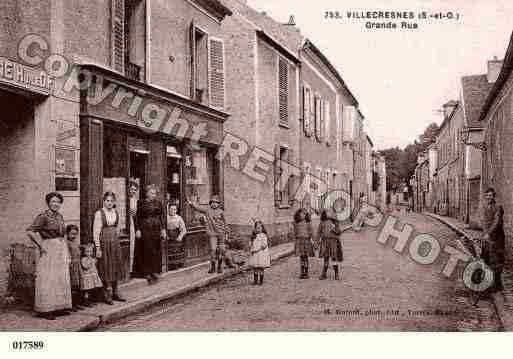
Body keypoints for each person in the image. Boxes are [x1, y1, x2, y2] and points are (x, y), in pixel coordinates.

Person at [26, 192, 72, 320]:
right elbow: (30, 231)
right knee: (48, 278)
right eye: (53, 201)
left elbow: (63, 235)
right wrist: (40, 245)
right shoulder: (43, 217)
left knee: (59, 277)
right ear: (48, 203)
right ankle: (46, 309)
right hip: (49, 249)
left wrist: (66, 250)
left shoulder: (60, 216)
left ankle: (59, 307)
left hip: (60, 248)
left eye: (58, 202)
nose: (56, 204)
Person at [187, 195, 236, 274]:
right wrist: (191, 203)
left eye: (216, 203)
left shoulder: (221, 212)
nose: (214, 204)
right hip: (212, 234)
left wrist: (227, 233)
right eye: (212, 202)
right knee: (213, 250)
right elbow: (198, 208)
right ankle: (213, 267)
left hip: (221, 234)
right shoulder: (207, 210)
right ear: (210, 203)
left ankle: (219, 267)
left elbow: (225, 223)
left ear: (218, 204)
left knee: (221, 250)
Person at [93, 192, 125, 304]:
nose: (109, 203)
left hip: (114, 242)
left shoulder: (116, 212)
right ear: (104, 201)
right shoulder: (99, 213)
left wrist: (116, 239)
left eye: (111, 201)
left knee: (115, 265)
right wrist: (98, 247)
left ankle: (116, 292)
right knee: (106, 266)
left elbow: (117, 228)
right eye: (107, 201)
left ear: (114, 202)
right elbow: (96, 232)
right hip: (104, 242)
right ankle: (107, 293)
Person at [135, 184, 167, 283]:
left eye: (155, 193)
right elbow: (137, 217)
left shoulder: (158, 203)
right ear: (147, 193)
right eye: (151, 193)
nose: (154, 195)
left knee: (156, 249)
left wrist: (163, 229)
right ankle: (146, 272)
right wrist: (138, 229)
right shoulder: (141, 202)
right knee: (147, 249)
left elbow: (162, 216)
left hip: (156, 228)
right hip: (145, 228)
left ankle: (155, 271)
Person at [478, 187, 505, 294]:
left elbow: (496, 222)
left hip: (497, 238)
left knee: (497, 261)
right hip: (487, 238)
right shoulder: (485, 207)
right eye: (487, 195)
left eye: (491, 195)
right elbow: (484, 221)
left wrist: (489, 233)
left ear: (494, 196)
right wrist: (484, 234)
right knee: (486, 259)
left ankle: (497, 285)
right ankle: (488, 284)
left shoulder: (498, 207)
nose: (489, 197)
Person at [317, 210, 343, 280]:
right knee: (326, 258)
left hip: (333, 242)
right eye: (327, 212)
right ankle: (324, 274)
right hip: (325, 242)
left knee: (334, 258)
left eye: (331, 212)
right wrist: (316, 242)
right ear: (324, 214)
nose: (329, 214)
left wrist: (335, 229)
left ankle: (336, 274)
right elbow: (318, 232)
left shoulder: (335, 223)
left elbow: (339, 232)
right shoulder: (322, 223)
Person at [66, 224, 83, 311]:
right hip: (72, 266)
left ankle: (77, 303)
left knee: (77, 285)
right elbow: (68, 255)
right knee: (72, 286)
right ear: (67, 234)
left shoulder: (75, 243)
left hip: (77, 265)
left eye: (75, 234)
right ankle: (71, 305)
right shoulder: (67, 243)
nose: (74, 236)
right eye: (72, 234)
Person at [293, 208, 315, 279]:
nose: (303, 215)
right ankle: (302, 272)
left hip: (306, 241)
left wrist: (315, 241)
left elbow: (311, 233)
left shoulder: (308, 223)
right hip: (299, 242)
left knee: (306, 258)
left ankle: (306, 272)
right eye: (302, 214)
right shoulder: (296, 223)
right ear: (298, 214)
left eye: (305, 214)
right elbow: (295, 233)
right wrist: (296, 241)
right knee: (301, 258)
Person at [248, 220, 271, 285]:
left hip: (261, 254)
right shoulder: (253, 236)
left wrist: (257, 249)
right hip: (255, 254)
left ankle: (260, 281)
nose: (258, 229)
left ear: (262, 228)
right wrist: (250, 246)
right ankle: (255, 281)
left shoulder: (263, 236)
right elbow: (251, 243)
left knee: (261, 268)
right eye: (256, 228)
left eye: (259, 228)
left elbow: (264, 245)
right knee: (255, 267)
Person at [128, 180, 139, 275]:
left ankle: (131, 270)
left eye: (135, 190)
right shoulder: (125, 199)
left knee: (132, 246)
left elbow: (136, 214)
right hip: (127, 224)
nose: (133, 191)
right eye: (131, 189)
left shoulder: (135, 200)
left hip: (133, 224)